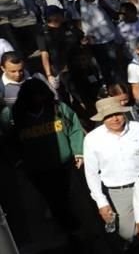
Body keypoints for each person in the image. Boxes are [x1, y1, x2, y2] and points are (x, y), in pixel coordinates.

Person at [1, 78, 85, 236]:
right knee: (52, 197)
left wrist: (78, 150)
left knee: (64, 195)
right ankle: (70, 229)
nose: (38, 100)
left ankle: (71, 227)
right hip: (36, 168)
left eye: (40, 95)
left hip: (63, 164)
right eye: (33, 96)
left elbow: (74, 127)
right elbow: (6, 141)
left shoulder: (58, 108)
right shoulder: (12, 115)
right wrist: (17, 161)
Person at [83, 97, 139, 243]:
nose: (114, 119)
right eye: (108, 116)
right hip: (118, 193)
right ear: (102, 118)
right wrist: (101, 202)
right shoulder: (92, 139)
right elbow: (91, 173)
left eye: (117, 114)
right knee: (127, 234)